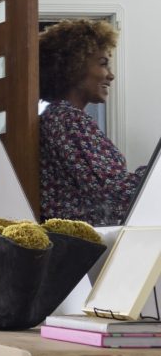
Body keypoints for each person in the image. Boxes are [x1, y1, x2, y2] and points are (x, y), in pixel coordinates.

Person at [39, 19, 147, 226]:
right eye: (103, 63)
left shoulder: (61, 117)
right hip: (82, 250)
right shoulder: (68, 120)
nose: (111, 75)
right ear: (74, 66)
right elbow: (117, 196)